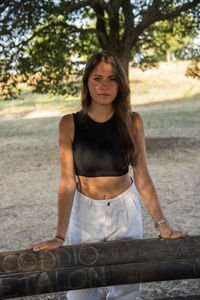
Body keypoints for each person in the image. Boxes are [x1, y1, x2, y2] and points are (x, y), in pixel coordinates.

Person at [28, 51, 188, 300]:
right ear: (86, 82)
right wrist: (59, 236)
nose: (104, 85)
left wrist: (163, 226)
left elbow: (142, 175)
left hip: (125, 209)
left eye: (112, 79)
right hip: (85, 212)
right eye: (97, 78)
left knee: (126, 287)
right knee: (80, 289)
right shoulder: (69, 124)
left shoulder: (133, 122)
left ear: (120, 84)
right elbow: (68, 182)